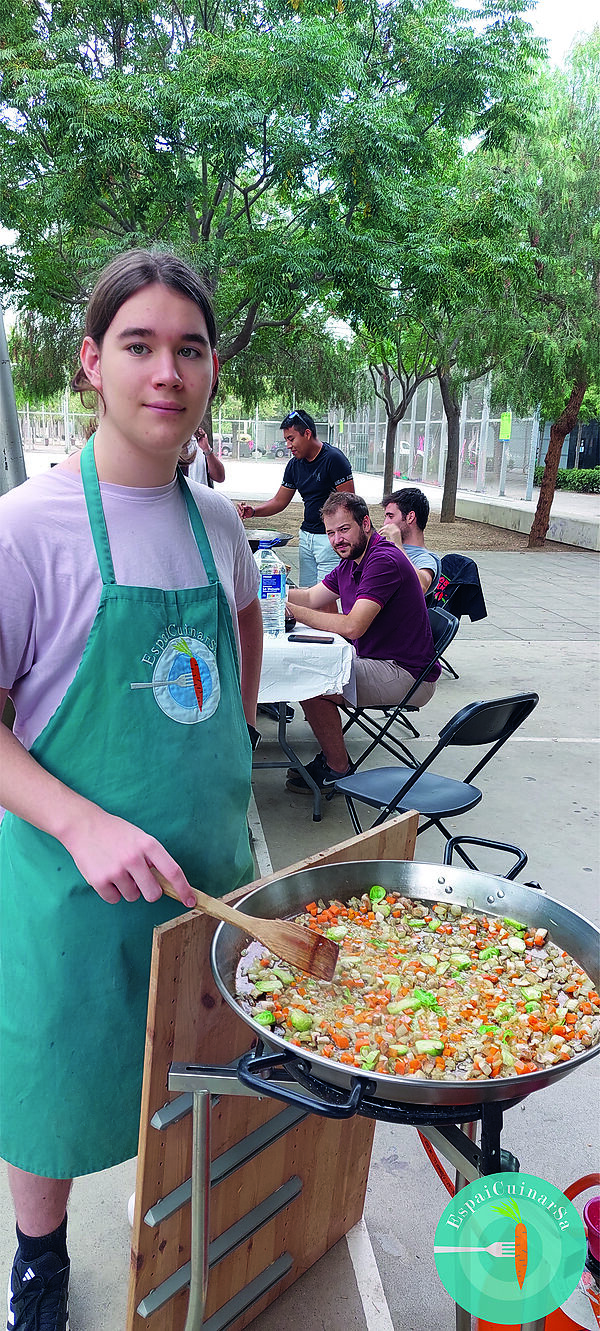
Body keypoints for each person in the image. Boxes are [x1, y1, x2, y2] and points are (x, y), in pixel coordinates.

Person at [0, 248, 263, 1331]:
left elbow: (244, 625)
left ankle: (191, 1223)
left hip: (209, 876)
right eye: (140, 344)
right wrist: (81, 818)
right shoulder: (26, 527)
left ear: (210, 372)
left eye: (189, 348)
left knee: (206, 1083)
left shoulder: (220, 522)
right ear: (90, 365)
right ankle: (38, 1259)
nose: (168, 370)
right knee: (54, 1086)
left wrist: (230, 744)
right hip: (70, 887)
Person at [285, 493, 440, 792]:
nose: (336, 539)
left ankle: (337, 768)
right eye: (330, 533)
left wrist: (289, 610)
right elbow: (311, 596)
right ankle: (334, 758)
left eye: (344, 529)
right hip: (381, 661)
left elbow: (352, 626)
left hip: (406, 674)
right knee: (310, 669)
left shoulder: (382, 560)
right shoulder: (353, 559)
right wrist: (263, 588)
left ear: (365, 524)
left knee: (309, 679)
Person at [237, 409, 355, 586]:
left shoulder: (334, 459)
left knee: (327, 595)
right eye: (286, 440)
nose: (288, 445)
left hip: (329, 538)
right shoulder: (294, 465)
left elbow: (349, 502)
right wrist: (253, 511)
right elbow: (279, 501)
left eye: (291, 439)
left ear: (307, 434)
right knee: (308, 593)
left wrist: (339, 536)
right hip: (306, 536)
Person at [380, 487, 441, 594]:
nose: (385, 523)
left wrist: (398, 545)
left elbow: (421, 586)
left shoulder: (425, 559)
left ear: (410, 517)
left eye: (390, 516)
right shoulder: (387, 548)